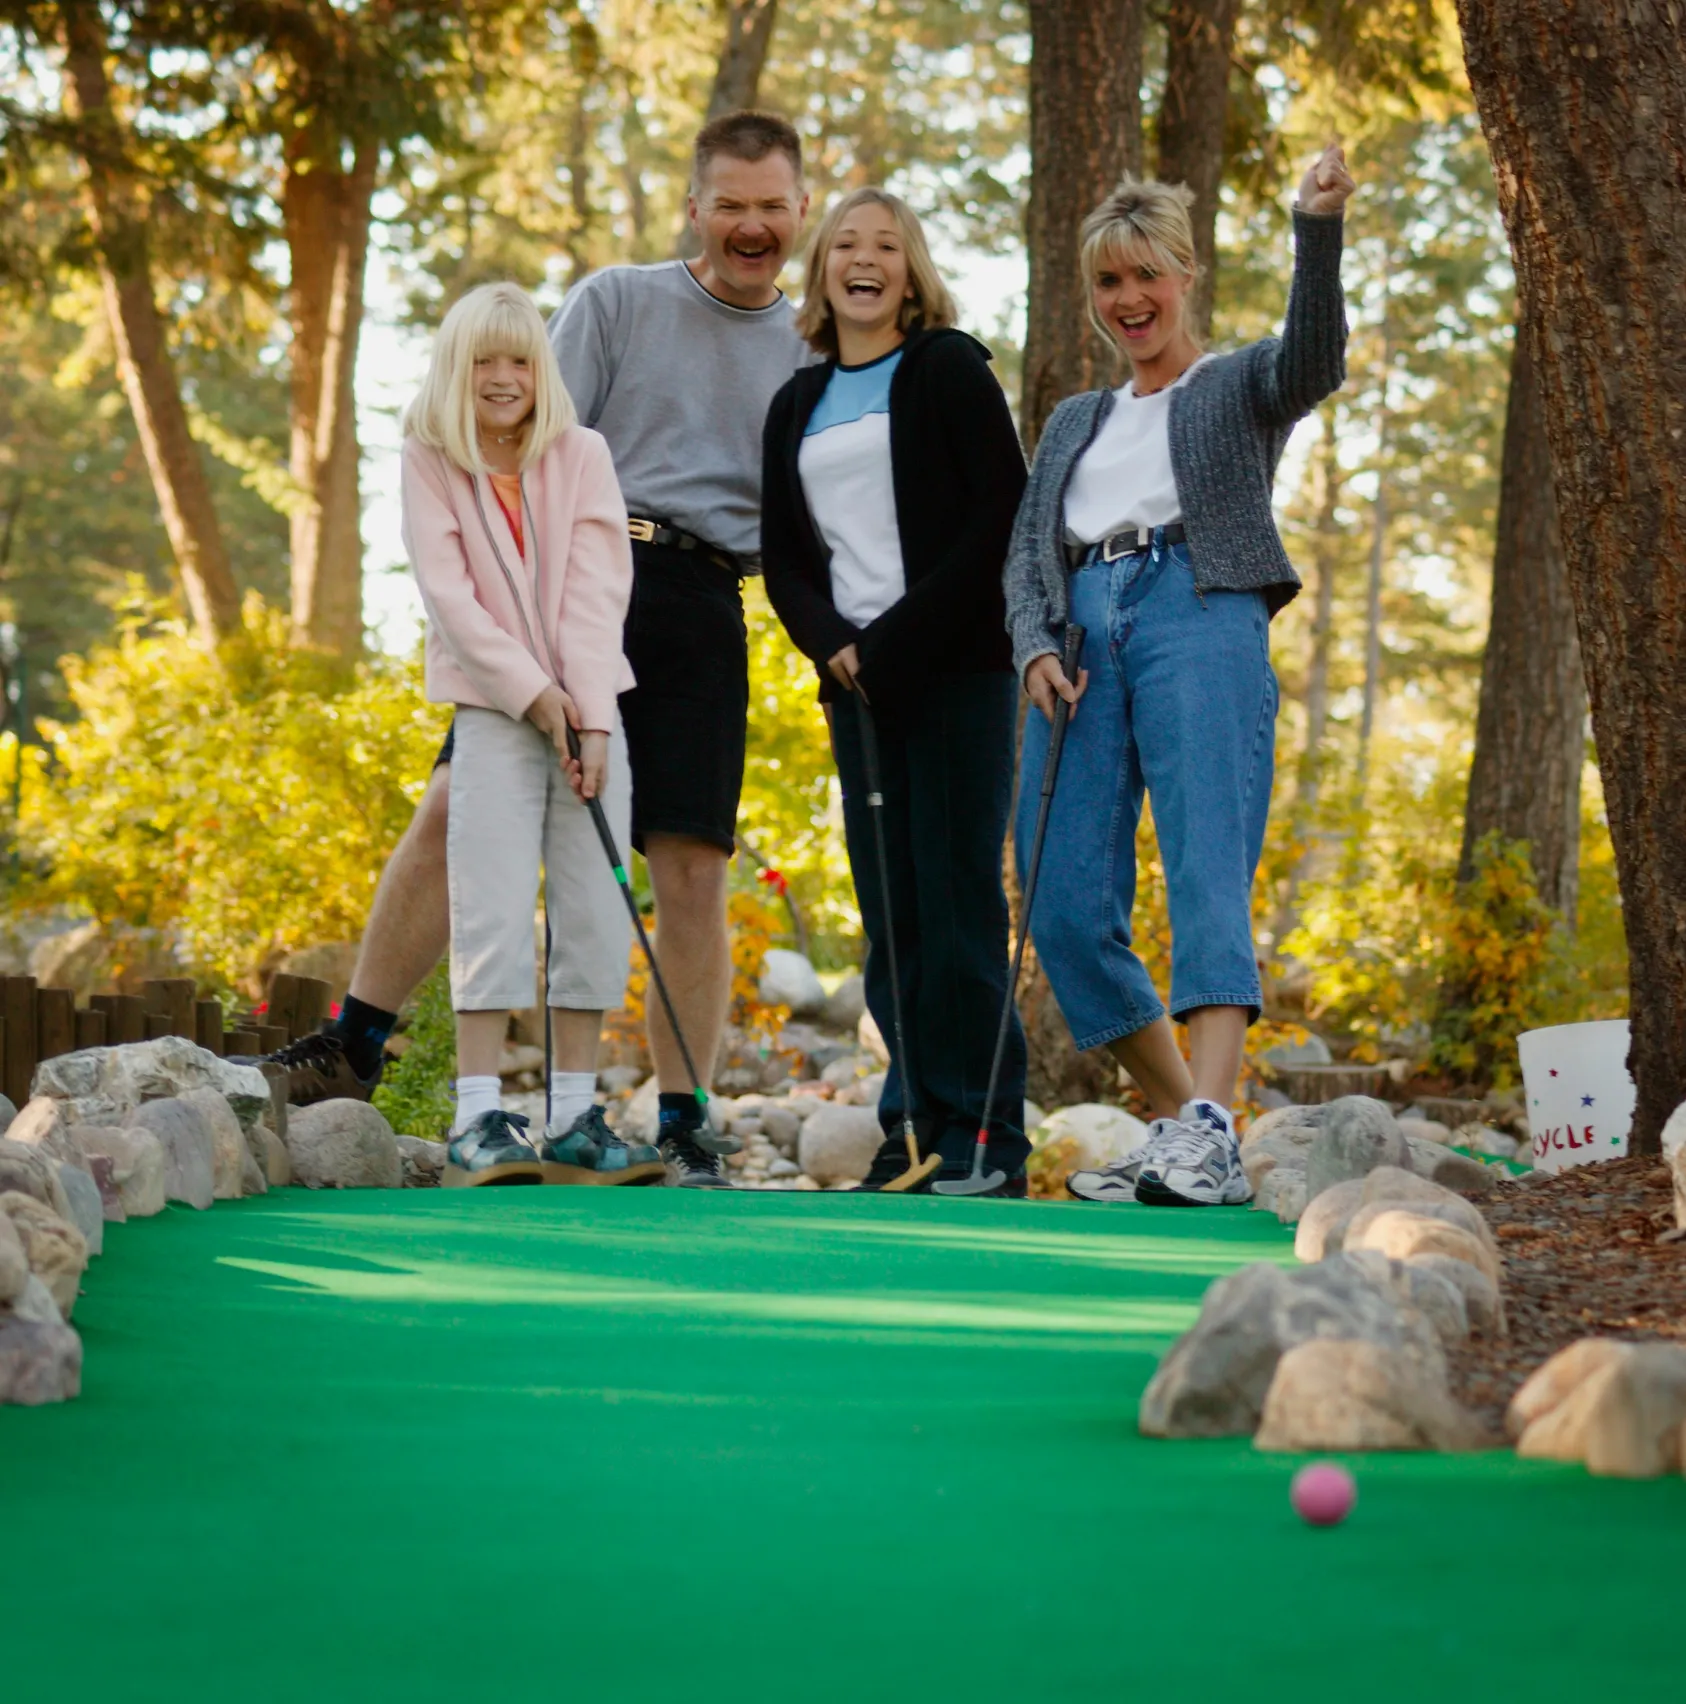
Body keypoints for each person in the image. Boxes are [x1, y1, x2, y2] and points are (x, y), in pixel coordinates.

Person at [262, 111, 811, 1191]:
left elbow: (807, 518)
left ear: (798, 212)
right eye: (731, 204)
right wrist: (524, 643)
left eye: (772, 207)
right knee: (456, 807)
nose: (751, 225)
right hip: (563, 585)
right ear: (696, 206)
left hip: (700, 601)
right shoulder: (615, 301)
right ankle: (356, 1041)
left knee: (690, 868)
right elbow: (525, 441)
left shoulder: (807, 348)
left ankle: (685, 1112)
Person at [1003, 144, 1355, 1207]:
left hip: (1200, 607)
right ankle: (1187, 1126)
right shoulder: (1076, 419)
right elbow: (1027, 548)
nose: (1128, 299)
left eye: (1146, 274)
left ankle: (1207, 1122)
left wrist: (1317, 228)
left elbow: (1315, 361)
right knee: (1060, 900)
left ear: (1184, 273)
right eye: (1109, 281)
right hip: (1078, 636)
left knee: (1207, 869)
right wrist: (1031, 643)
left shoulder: (1236, 381)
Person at [761, 188, 1030, 1196]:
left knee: (960, 907)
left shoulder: (948, 367)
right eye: (845, 246)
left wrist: (896, 640)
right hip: (858, 690)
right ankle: (910, 1129)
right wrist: (834, 646)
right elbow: (784, 556)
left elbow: (998, 514)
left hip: (956, 676)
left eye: (886, 246)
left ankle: (988, 1136)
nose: (863, 260)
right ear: (824, 269)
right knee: (893, 915)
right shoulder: (796, 401)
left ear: (911, 272)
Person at [399, 282, 659, 1186]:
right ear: (456, 371)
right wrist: (530, 692)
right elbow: (452, 597)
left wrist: (586, 713)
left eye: (519, 360)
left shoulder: (580, 454)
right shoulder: (431, 454)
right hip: (493, 711)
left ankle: (576, 1116)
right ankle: (478, 1118)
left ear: (541, 370)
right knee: (495, 901)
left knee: (591, 902)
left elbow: (597, 592)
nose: (502, 378)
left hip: (589, 715)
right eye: (483, 362)